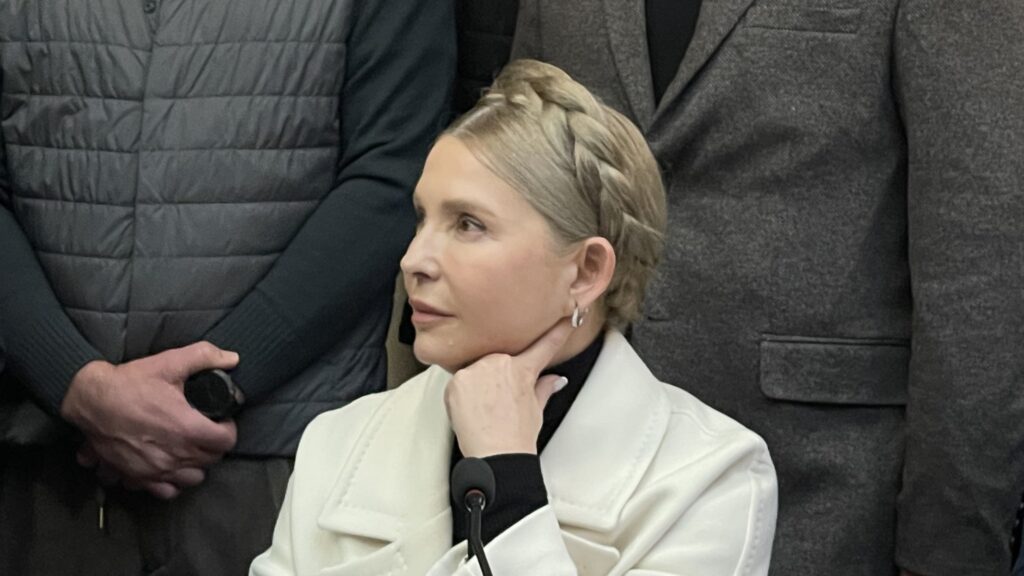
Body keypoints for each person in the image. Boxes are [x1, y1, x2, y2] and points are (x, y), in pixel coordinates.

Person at [510, 1, 1024, 575]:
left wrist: (950, 554)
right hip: (563, 482)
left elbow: (978, 267)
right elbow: (514, 168)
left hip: (826, 495)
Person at [250, 59, 777, 576]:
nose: (413, 261)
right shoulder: (337, 443)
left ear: (586, 271)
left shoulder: (709, 480)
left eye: (468, 224)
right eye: (422, 218)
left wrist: (507, 474)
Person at [0, 0, 455, 574]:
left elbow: (396, 180)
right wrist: (74, 382)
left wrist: (208, 391)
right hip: (44, 461)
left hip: (285, 461)